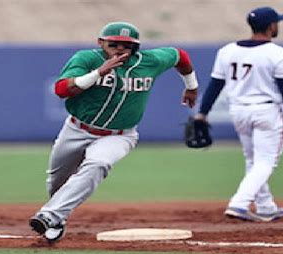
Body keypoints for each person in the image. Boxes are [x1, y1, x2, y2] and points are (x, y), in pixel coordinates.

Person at [29, 21, 198, 242]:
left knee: (98, 164)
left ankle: (50, 216)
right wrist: (98, 73)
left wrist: (191, 85)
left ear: (136, 48)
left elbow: (179, 56)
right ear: (101, 43)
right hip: (76, 129)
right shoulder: (87, 59)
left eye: (127, 45)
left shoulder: (150, 61)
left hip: (119, 135)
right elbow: (62, 90)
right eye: (114, 43)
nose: (120, 49)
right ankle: (58, 216)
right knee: (56, 182)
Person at [195, 7, 283, 222]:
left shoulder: (227, 50)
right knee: (266, 162)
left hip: (239, 111)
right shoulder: (278, 53)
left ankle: (266, 206)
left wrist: (202, 113)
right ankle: (239, 203)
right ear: (271, 26)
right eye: (277, 22)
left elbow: (215, 85)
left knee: (253, 159)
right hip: (266, 111)